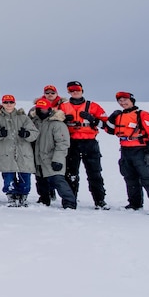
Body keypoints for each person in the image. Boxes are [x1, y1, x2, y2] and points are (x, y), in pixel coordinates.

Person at [108, 91, 149, 213]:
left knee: (148, 178)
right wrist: (111, 118)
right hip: (125, 151)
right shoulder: (119, 116)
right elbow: (110, 130)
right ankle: (135, 204)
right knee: (130, 178)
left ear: (132, 101)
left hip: (141, 150)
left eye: (125, 100)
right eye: (120, 101)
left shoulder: (143, 115)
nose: (123, 103)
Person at [57, 81, 110, 210]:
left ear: (82, 91)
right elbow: (55, 124)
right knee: (71, 174)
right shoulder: (63, 107)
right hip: (72, 143)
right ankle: (70, 201)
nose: (75, 92)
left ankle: (99, 200)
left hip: (89, 143)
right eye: (72, 90)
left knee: (94, 174)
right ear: (68, 92)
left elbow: (108, 127)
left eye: (78, 89)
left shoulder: (93, 106)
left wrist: (93, 120)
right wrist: (64, 120)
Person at [0, 94, 38, 206]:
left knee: (25, 176)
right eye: (6, 102)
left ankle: (23, 195)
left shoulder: (23, 117)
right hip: (5, 152)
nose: (8, 104)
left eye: (11, 102)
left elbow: (34, 133)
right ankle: (11, 196)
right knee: (8, 176)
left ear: (14, 103)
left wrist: (27, 134)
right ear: (2, 104)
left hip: (23, 151)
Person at [32, 99, 77, 210]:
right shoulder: (34, 122)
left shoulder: (57, 123)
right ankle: (44, 199)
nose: (42, 110)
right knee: (41, 180)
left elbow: (62, 143)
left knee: (58, 180)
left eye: (45, 108)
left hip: (52, 157)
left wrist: (58, 159)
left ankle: (69, 202)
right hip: (38, 158)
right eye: (39, 108)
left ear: (50, 109)